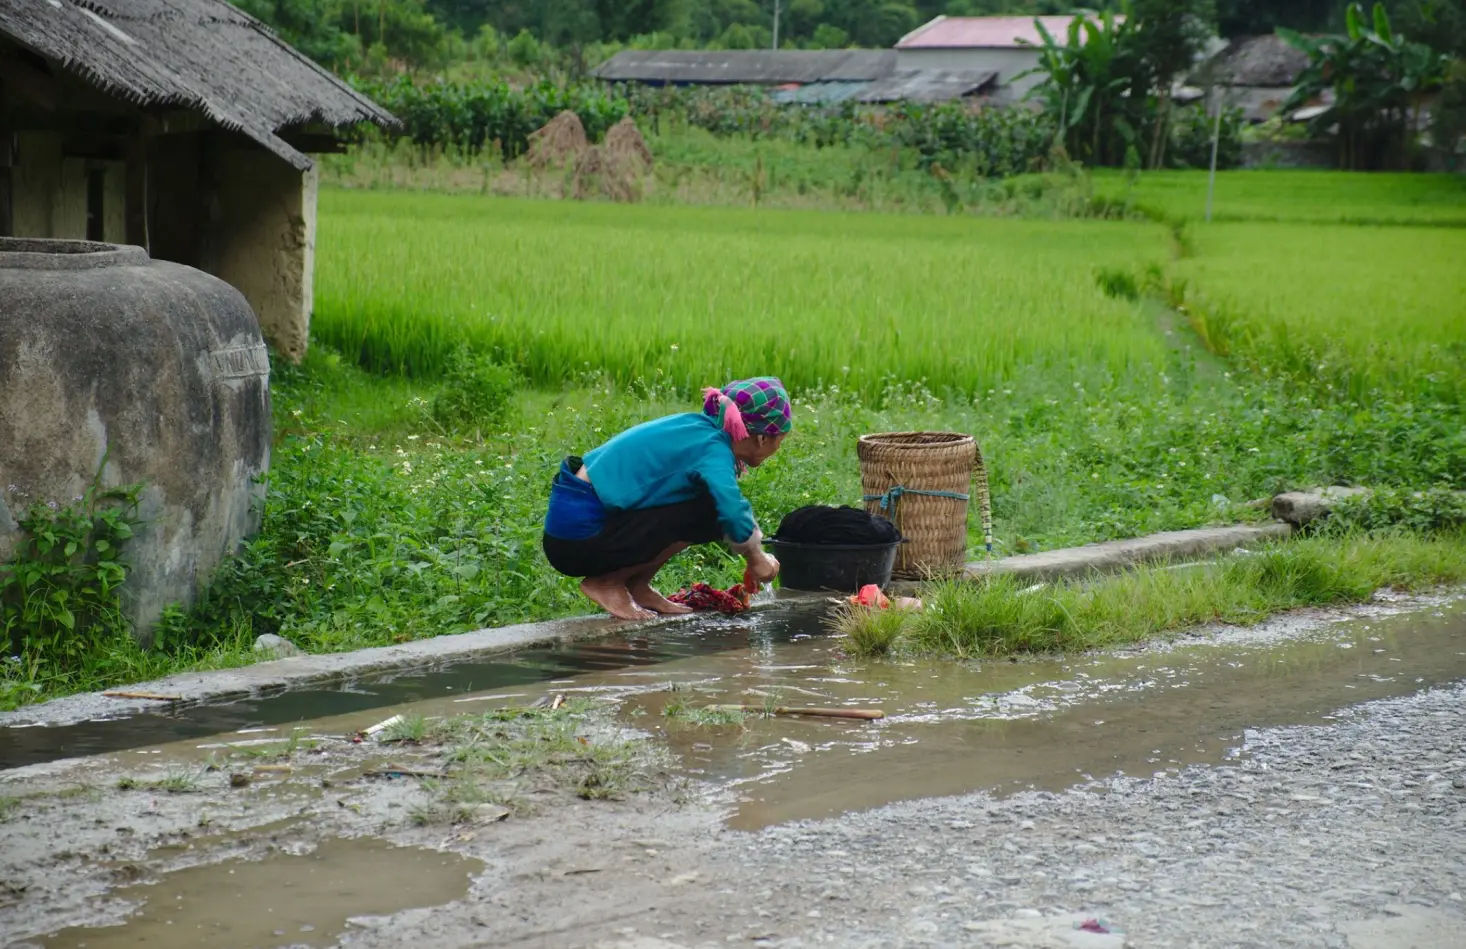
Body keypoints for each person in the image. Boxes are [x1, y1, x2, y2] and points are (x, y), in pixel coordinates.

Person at [542, 377, 790, 620]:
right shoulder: (713, 450)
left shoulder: (699, 429)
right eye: (780, 440)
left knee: (703, 503)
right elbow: (731, 510)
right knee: (709, 509)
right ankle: (607, 583)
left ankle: (637, 585)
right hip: (578, 539)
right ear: (762, 438)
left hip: (574, 532)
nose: (778, 448)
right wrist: (757, 558)